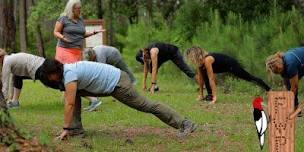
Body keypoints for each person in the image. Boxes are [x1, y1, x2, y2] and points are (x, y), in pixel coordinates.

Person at [39, 59, 197, 140]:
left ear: (54, 72)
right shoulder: (69, 70)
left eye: (48, 77)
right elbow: (71, 97)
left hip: (118, 83)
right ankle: (76, 130)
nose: (50, 80)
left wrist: (65, 128)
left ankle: (185, 123)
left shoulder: (70, 74)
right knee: (74, 93)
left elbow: (70, 103)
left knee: (146, 105)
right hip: (113, 79)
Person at [53, 0, 104, 111]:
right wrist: (62, 37)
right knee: (71, 76)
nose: (80, 10)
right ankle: (92, 99)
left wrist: (94, 32)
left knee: (76, 76)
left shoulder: (80, 20)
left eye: (80, 8)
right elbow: (56, 31)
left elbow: (82, 34)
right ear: (71, 9)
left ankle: (74, 98)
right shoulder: (63, 18)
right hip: (64, 51)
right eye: (78, 8)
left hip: (76, 51)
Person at [186, 46, 271, 104]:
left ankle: (268, 89)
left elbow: (211, 79)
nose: (191, 60)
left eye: (191, 57)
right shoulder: (199, 63)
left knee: (248, 77)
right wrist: (201, 94)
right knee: (203, 74)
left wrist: (216, 97)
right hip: (221, 67)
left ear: (196, 56)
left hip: (231, 64)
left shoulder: (208, 60)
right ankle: (209, 96)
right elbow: (201, 79)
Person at [266, 47, 304, 116]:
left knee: (292, 87)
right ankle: (296, 109)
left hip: (300, 63)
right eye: (278, 72)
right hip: (300, 66)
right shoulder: (282, 65)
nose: (280, 72)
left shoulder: (290, 64)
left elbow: (294, 87)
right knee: (289, 86)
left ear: (280, 63)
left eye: (279, 70)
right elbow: (287, 87)